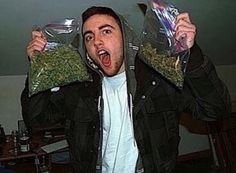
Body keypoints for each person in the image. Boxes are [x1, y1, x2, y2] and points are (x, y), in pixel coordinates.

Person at [21, 6, 231, 173]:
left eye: (106, 31)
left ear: (125, 37)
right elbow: (37, 120)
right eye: (88, 37)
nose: (97, 41)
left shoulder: (158, 80)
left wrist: (190, 55)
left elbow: (215, 110)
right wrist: (39, 66)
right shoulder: (78, 89)